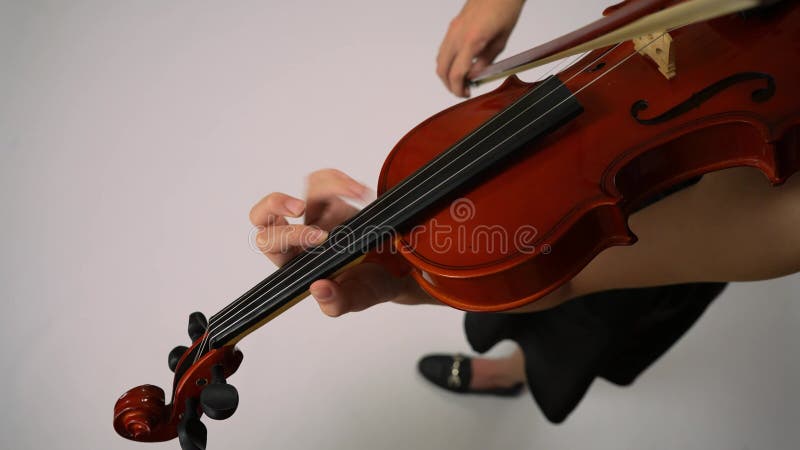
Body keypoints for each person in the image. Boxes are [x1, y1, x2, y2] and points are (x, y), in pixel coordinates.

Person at [250, 0, 800, 422]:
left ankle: (510, 373)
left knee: (614, 305)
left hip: (737, 172)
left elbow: (568, 276)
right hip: (664, 87)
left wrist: (413, 270)